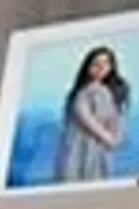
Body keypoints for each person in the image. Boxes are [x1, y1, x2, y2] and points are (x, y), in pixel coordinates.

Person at [56, 44, 132, 183]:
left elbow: (117, 123)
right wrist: (110, 139)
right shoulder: (83, 92)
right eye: (96, 64)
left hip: (99, 150)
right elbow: (84, 116)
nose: (101, 68)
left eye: (106, 63)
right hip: (79, 148)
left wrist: (113, 138)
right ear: (88, 67)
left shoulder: (111, 92)